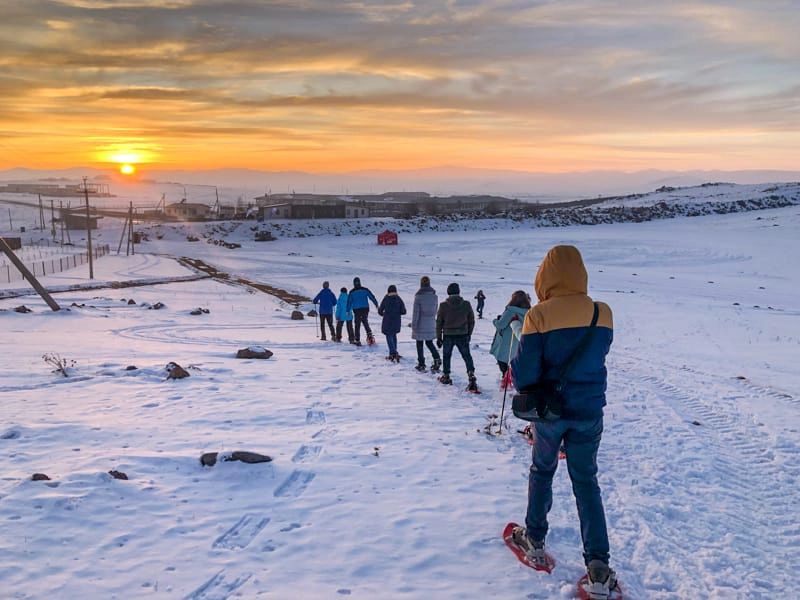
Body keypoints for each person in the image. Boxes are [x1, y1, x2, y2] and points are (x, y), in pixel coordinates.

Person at [509, 245, 617, 598]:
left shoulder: (538, 316)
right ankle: (599, 568)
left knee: (542, 472)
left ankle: (535, 539)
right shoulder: (602, 312)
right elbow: (598, 355)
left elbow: (524, 376)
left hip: (550, 415)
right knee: (587, 483)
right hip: (588, 413)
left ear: (546, 275)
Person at [435, 282, 478, 391]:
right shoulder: (466, 304)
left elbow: (439, 322)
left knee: (446, 356)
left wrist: (438, 337)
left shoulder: (443, 306)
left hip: (448, 335)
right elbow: (471, 320)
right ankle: (471, 374)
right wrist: (469, 334)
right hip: (462, 334)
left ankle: (446, 375)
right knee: (466, 356)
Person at [489, 290, 531, 378]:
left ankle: (506, 378)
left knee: (503, 360)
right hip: (521, 340)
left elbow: (501, 325)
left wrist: (495, 321)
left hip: (507, 342)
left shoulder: (511, 311)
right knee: (515, 360)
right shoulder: (530, 312)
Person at [411, 275, 441, 372]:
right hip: (431, 323)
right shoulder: (434, 296)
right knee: (429, 342)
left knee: (419, 343)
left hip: (420, 323)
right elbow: (436, 310)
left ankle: (421, 363)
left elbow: (416, 312)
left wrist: (414, 325)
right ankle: (437, 358)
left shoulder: (418, 296)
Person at [346, 276, 379, 346]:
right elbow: (372, 297)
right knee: (365, 321)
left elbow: (349, 301)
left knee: (357, 324)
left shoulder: (352, 292)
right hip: (365, 308)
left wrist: (348, 310)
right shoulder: (365, 289)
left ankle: (357, 340)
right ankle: (370, 336)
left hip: (357, 309)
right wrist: (376, 304)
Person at [378, 284, 406, 361]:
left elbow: (380, 311)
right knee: (393, 335)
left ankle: (393, 353)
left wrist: (384, 314)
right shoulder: (398, 299)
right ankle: (394, 352)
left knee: (388, 335)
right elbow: (404, 311)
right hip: (396, 321)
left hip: (387, 320)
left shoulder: (386, 298)